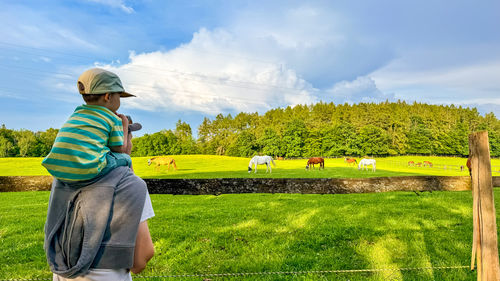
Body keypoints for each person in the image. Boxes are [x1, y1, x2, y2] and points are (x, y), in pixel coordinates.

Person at [43, 68, 154, 280]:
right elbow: (141, 259)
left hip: (62, 273)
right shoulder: (131, 185)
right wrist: (126, 164)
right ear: (107, 96)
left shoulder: (64, 179)